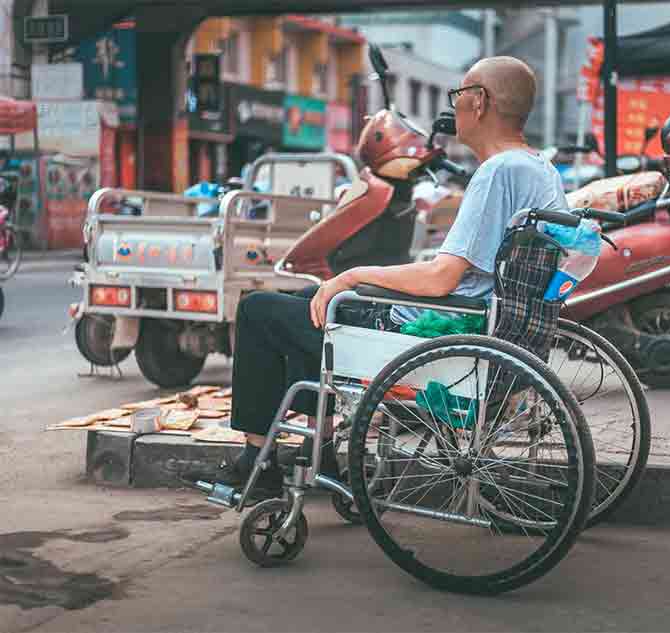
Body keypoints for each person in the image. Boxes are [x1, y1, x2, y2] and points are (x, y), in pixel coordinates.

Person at [186, 56, 569, 497]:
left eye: (459, 95)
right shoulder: (538, 168)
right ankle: (323, 450)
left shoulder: (497, 172)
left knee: (258, 310)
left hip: (434, 332)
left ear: (479, 102)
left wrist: (352, 275)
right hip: (487, 325)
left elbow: (441, 278)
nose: (456, 105)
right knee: (309, 310)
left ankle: (257, 461)